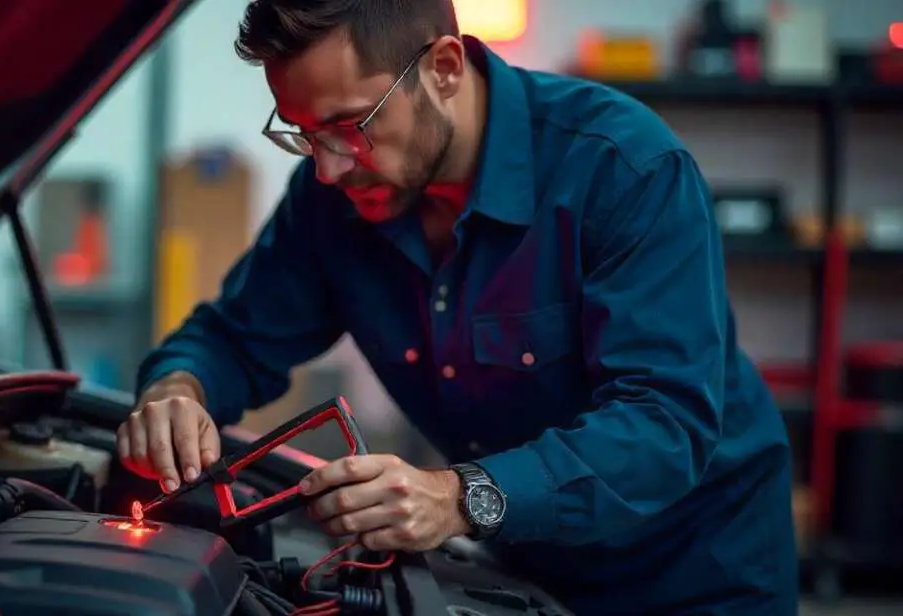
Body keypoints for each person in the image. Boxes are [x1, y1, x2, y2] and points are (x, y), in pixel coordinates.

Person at [116, 1, 798, 614]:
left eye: (349, 127)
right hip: (526, 570)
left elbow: (664, 424)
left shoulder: (624, 170)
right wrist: (180, 388)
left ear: (443, 67)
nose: (326, 167)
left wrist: (457, 497)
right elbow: (235, 337)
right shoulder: (332, 198)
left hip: (695, 573)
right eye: (299, 132)